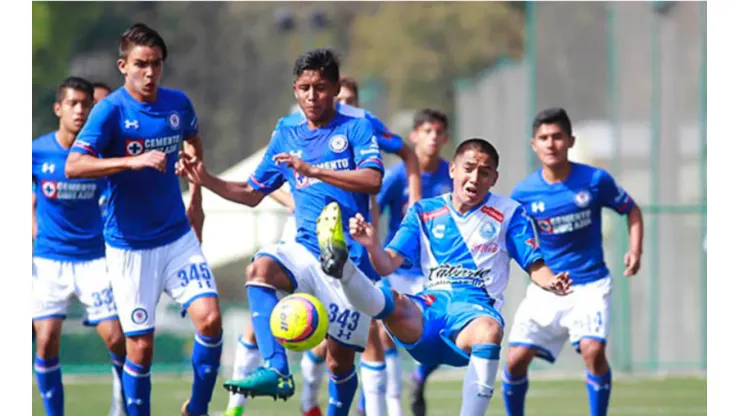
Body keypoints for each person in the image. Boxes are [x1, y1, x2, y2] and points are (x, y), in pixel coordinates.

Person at [177, 48, 385, 416]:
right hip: (306, 249)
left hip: (348, 261)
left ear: (336, 89)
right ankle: (276, 368)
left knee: (339, 364)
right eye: (304, 87)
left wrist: (316, 170)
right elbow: (254, 192)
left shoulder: (356, 127)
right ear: (294, 89)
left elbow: (372, 179)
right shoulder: (286, 132)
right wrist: (205, 178)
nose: (311, 95)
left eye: (320, 87)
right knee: (259, 269)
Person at [321, 138, 572, 416]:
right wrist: (371, 245)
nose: (474, 178)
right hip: (429, 312)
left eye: (484, 172)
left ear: (494, 179)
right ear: (453, 170)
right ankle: (341, 269)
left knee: (489, 330)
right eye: (469, 168)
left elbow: (535, 265)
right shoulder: (423, 212)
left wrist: (551, 280)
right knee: (390, 298)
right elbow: (385, 265)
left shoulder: (509, 214)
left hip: (471, 318)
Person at [223, 75, 422, 416]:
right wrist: (294, 201)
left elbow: (396, 161)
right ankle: (247, 400)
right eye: (307, 90)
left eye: (343, 97)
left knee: (344, 352)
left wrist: (413, 200)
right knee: (260, 282)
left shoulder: (362, 126)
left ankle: (348, 406)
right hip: (303, 238)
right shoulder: (292, 128)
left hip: (355, 249)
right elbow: (263, 184)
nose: (321, 99)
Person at [65, 23, 222, 416]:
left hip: (176, 238)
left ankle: (197, 410)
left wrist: (196, 192)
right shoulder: (110, 111)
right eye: (141, 64)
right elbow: (74, 165)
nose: (150, 73)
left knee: (211, 319)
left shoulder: (178, 104)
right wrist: (130, 161)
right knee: (141, 347)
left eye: (156, 64)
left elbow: (194, 140)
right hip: (130, 247)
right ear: (123, 66)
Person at [501, 108, 644, 416]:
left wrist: (635, 250)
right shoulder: (524, 192)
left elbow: (631, 210)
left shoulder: (594, 180)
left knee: (593, 351)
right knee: (513, 362)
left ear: (570, 141)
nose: (550, 144)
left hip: (590, 285)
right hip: (546, 290)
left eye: (557, 137)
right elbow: (512, 236)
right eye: (544, 138)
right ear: (534, 145)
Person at [32, 76, 127, 416]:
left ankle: (121, 407)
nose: (79, 110)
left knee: (117, 339)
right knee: (45, 341)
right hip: (49, 261)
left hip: (93, 260)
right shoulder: (37, 151)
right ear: (58, 108)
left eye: (86, 105)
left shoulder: (98, 157)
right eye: (72, 103)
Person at [373, 108, 452, 416]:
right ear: (414, 136)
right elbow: (373, 211)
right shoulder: (397, 176)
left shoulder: (452, 176)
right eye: (426, 131)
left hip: (435, 271)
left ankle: (418, 377)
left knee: (443, 331)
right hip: (398, 269)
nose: (432, 138)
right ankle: (382, 405)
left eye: (438, 132)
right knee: (383, 333)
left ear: (445, 138)